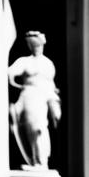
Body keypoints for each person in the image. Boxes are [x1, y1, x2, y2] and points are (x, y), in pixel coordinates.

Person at [8, 30, 62, 169]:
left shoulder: (47, 64)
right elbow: (10, 72)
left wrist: (54, 106)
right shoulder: (25, 61)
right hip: (26, 97)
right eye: (31, 44)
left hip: (39, 97)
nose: (34, 47)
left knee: (38, 128)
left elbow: (50, 87)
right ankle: (33, 160)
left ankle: (41, 162)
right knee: (25, 128)